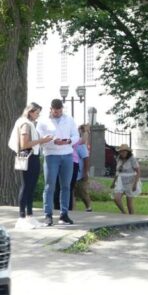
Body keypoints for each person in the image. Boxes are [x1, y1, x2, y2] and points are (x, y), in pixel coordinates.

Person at [10, 102, 53, 229]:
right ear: (30, 112)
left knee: (31, 187)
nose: (38, 116)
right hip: (28, 157)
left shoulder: (29, 124)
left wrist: (41, 140)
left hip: (32, 157)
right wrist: (42, 140)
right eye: (37, 113)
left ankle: (29, 216)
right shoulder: (25, 124)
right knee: (26, 186)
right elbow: (24, 144)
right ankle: (21, 218)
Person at [36, 98, 77, 226]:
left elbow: (76, 135)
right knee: (50, 186)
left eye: (59, 111)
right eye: (55, 111)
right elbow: (39, 138)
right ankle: (48, 215)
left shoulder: (69, 119)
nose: (57, 113)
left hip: (67, 154)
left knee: (66, 186)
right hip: (51, 154)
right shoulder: (43, 121)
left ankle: (64, 214)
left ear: (62, 109)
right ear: (51, 109)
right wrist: (53, 141)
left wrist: (69, 141)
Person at [112, 144, 142, 214]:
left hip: (130, 180)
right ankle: (124, 212)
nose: (122, 153)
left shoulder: (132, 159)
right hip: (120, 180)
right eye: (121, 152)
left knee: (129, 203)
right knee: (116, 198)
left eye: (124, 151)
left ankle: (132, 219)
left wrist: (135, 184)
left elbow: (138, 171)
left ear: (127, 152)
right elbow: (117, 171)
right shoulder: (119, 158)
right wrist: (113, 182)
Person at [73, 125, 92, 212]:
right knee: (71, 193)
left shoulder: (81, 145)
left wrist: (85, 172)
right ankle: (72, 209)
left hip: (80, 174)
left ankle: (88, 207)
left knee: (82, 192)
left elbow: (86, 159)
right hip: (71, 172)